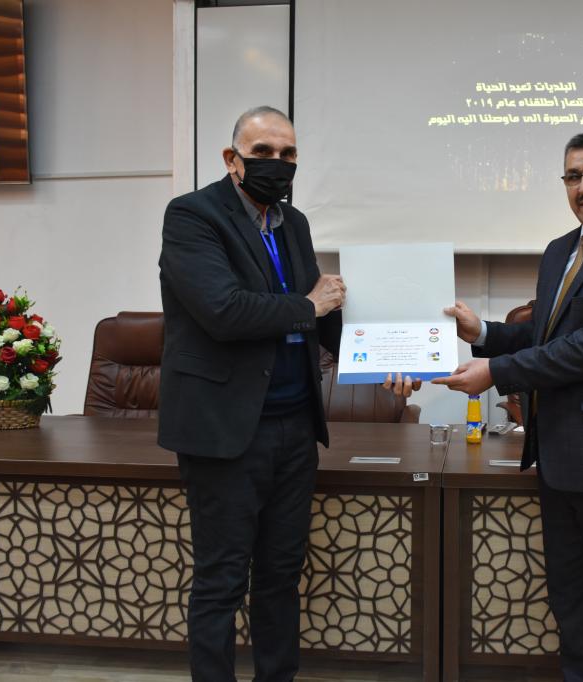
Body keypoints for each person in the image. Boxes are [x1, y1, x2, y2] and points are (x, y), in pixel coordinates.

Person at [158, 106, 417, 682]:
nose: (277, 163)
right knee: (222, 579)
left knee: (280, 574)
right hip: (226, 431)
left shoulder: (292, 222)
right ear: (232, 159)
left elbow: (323, 315)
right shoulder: (192, 216)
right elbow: (224, 310)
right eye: (263, 153)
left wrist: (388, 361)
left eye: (288, 154)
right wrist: (309, 304)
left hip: (294, 428)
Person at [434, 130, 583, 682]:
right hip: (561, 460)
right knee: (572, 610)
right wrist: (485, 334)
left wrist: (496, 372)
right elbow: (549, 336)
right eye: (573, 177)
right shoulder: (560, 250)